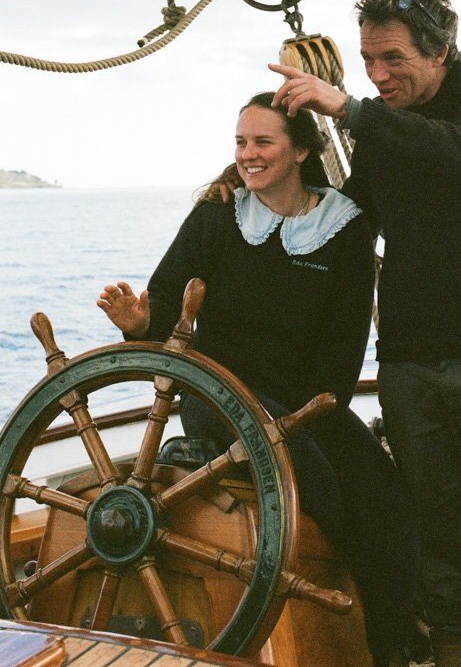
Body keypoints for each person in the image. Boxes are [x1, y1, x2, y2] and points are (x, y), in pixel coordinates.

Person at [267, 0, 461, 667]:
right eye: (367, 61)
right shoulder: (384, 124)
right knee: (442, 563)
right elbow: (347, 225)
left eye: (392, 60)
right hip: (410, 372)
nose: (377, 75)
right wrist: (263, 183)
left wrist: (348, 108)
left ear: (440, 52)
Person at [97, 91, 421, 667]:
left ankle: (389, 643)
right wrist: (142, 321)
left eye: (263, 142)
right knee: (316, 482)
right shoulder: (217, 215)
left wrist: (317, 414)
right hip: (217, 399)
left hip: (310, 405)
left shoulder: (345, 228)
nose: (248, 154)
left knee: (387, 497)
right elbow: (168, 301)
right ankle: (324, 628)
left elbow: (344, 349)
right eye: (241, 142)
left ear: (300, 150)